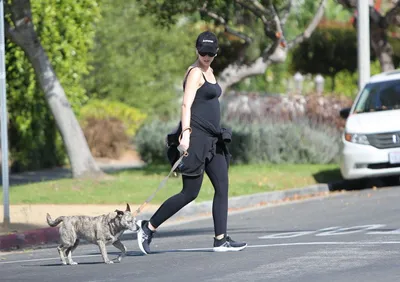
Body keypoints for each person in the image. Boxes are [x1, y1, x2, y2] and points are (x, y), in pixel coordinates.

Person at [136, 31, 247, 254]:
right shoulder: (195, 73)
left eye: (211, 53)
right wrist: (185, 134)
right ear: (197, 50)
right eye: (203, 52)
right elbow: (186, 105)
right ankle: (148, 227)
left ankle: (220, 239)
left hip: (214, 140)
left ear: (216, 52)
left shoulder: (211, 72)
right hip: (196, 139)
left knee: (222, 187)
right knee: (190, 193)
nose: (206, 57)